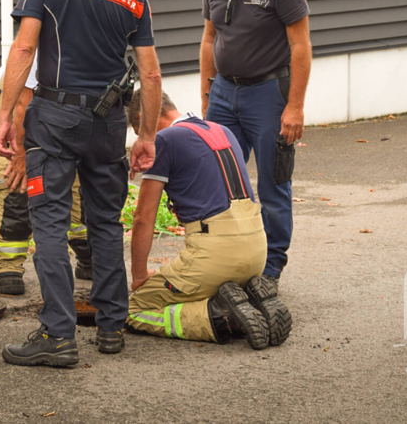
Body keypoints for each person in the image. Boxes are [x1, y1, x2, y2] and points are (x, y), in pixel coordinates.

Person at [0, 0, 163, 367]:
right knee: (105, 222)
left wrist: (7, 113)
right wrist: (146, 135)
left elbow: (25, 46)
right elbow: (150, 76)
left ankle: (57, 334)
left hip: (54, 116)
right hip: (108, 124)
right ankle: (111, 327)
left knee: (48, 222)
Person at [125, 89, 292, 350]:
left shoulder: (163, 141)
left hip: (215, 255)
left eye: (139, 131)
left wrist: (138, 276)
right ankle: (248, 299)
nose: (142, 140)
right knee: (202, 282)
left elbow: (142, 220)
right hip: (258, 250)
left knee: (136, 308)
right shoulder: (221, 130)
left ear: (143, 117)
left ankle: (222, 315)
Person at [196, 0, 312, 282]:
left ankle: (271, 265)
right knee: (217, 177)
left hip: (268, 94)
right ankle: (222, 256)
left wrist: (294, 106)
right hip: (224, 92)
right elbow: (209, 38)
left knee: (273, 184)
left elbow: (300, 45)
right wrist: (206, 93)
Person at [0, 60, 91, 296]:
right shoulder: (48, 38)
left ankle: (88, 252)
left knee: (79, 186)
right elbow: (23, 100)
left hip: (73, 101)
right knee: (19, 184)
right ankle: (6, 264)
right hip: (23, 95)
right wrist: (21, 152)